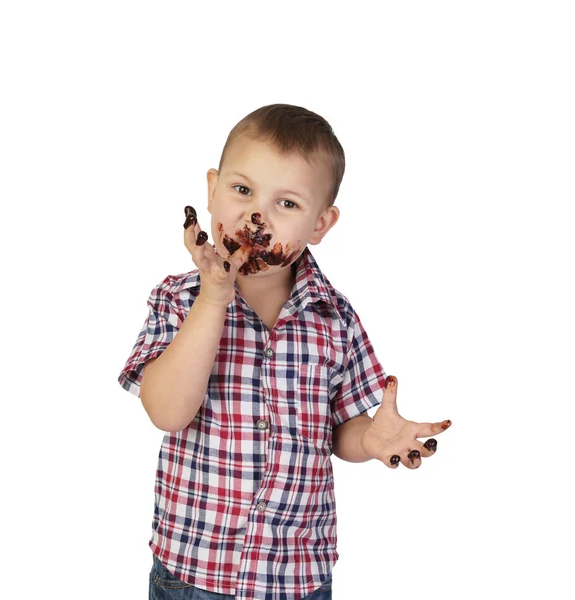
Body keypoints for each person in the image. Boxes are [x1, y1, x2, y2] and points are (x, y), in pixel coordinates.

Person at [117, 103, 452, 600]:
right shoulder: (177, 299)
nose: (257, 216)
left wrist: (372, 438)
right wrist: (214, 297)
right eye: (242, 190)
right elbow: (167, 412)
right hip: (194, 571)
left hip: (297, 574)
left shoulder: (334, 318)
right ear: (211, 190)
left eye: (287, 204)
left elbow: (339, 433)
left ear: (321, 224)